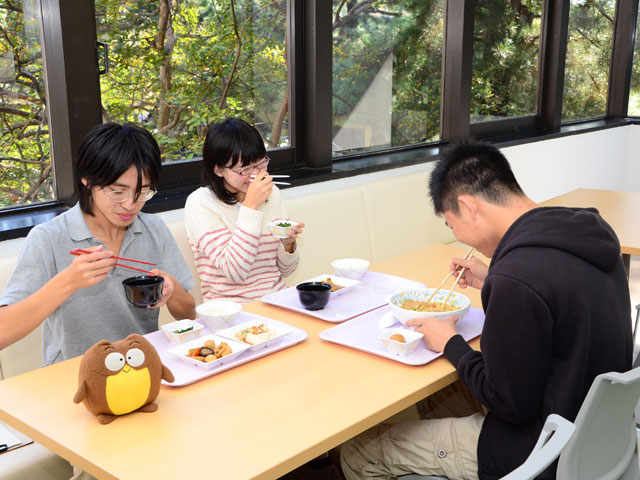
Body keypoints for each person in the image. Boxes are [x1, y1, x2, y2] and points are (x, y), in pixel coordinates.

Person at [340, 141, 632, 480]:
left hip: (539, 451)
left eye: (451, 224)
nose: (459, 236)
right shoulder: (587, 234)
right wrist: (494, 277)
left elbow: (509, 403)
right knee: (441, 397)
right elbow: (556, 300)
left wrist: (449, 341)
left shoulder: (517, 278)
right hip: (596, 434)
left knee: (360, 450)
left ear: (468, 206)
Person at [0, 122, 196, 364]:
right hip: (74, 377)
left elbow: (189, 313)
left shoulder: (153, 229)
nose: (130, 204)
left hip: (140, 367)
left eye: (142, 192)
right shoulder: (49, 238)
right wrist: (68, 281)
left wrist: (172, 289)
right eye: (117, 191)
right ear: (87, 180)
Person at [184, 118, 304, 303]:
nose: (256, 174)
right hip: (231, 313)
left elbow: (286, 271)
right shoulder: (201, 203)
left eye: (261, 163)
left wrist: (287, 244)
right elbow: (235, 272)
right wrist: (251, 206)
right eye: (245, 169)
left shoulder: (273, 194)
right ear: (218, 169)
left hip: (277, 302)